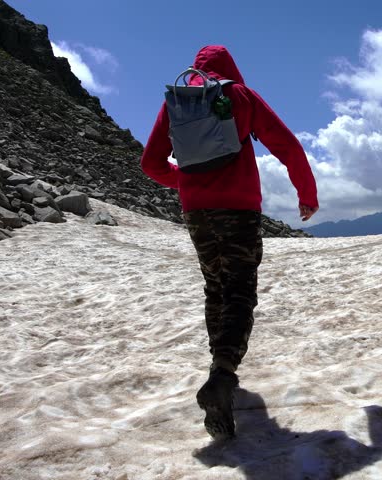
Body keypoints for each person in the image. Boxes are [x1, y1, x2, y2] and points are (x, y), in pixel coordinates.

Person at [141, 45, 319, 439]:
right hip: (238, 210)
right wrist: (307, 194)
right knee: (239, 290)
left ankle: (218, 371)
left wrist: (187, 181)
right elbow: (287, 146)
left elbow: (151, 163)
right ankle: (222, 374)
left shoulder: (178, 102)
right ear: (231, 68)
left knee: (215, 288)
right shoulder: (241, 96)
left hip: (196, 213)